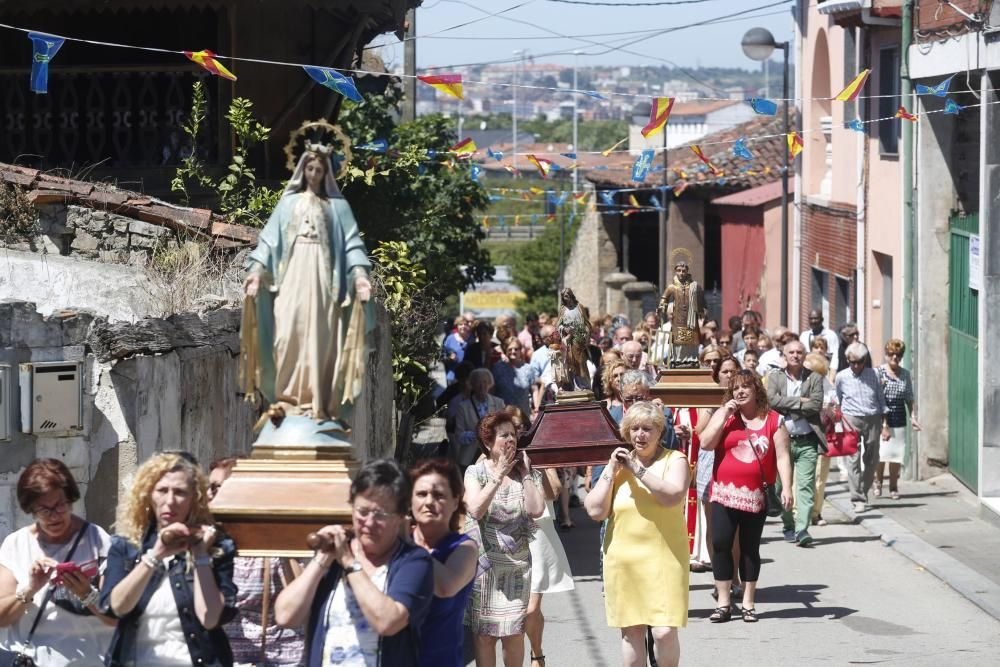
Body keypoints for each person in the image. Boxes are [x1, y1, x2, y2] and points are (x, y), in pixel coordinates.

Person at [241, 142, 372, 426]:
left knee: (322, 338)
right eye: (310, 168)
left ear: (327, 173)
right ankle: (287, 399)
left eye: (319, 169)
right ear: (303, 170)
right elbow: (268, 240)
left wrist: (360, 275)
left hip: (325, 282)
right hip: (292, 276)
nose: (314, 173)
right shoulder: (289, 203)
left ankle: (319, 402)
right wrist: (256, 271)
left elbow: (352, 244)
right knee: (286, 334)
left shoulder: (337, 207)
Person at [274, 459, 433, 667]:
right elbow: (286, 616)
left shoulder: (414, 562)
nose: (369, 522)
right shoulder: (334, 558)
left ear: (401, 516)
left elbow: (388, 622)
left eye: (380, 514)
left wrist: (350, 563)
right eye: (362, 512)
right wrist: (322, 559)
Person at [102, 452, 237, 666]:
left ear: (195, 498)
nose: (170, 501)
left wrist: (201, 555)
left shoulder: (218, 546)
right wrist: (154, 556)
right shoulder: (126, 546)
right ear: (148, 494)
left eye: (180, 492)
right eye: (162, 490)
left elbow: (210, 618)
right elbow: (117, 607)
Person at [584, 402, 690, 667]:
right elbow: (595, 510)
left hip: (665, 558)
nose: (640, 435)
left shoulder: (675, 460)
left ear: (659, 431)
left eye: (647, 429)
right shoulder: (618, 465)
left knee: (664, 632)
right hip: (624, 561)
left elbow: (672, 496)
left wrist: (637, 470)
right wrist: (610, 469)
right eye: (634, 429)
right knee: (632, 633)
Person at [698, 370, 793, 623]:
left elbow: (783, 455)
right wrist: (723, 415)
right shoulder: (725, 416)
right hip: (723, 493)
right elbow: (705, 443)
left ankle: (749, 602)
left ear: (756, 390)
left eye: (745, 387)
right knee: (721, 544)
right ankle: (723, 602)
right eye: (735, 388)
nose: (740, 392)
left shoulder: (774, 420)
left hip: (756, 495)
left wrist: (787, 487)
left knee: (750, 549)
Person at [0, 459, 114, 666]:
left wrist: (87, 594)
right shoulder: (15, 544)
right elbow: (1, 618)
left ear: (70, 500)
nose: (54, 516)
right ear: (31, 510)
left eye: (60, 505)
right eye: (44, 510)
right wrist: (30, 589)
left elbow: (115, 617)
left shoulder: (98, 540)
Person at [463, 412, 544, 667]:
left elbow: (536, 510)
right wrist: (497, 476)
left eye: (513, 434)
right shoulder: (475, 472)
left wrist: (527, 473)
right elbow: (475, 509)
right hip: (485, 567)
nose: (511, 440)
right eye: (504, 435)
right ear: (488, 442)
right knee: (485, 635)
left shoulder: (525, 471)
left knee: (513, 634)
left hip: (517, 566)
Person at [209, 458, 306, 667]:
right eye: (209, 488)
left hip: (280, 659)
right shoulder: (210, 545)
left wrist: (277, 538)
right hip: (227, 659)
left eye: (217, 488)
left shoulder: (270, 542)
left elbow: (303, 599)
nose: (209, 496)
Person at [409, 459, 478, 667]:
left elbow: (445, 586)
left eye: (438, 495)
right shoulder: (396, 542)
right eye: (421, 494)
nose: (429, 501)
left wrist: (409, 544)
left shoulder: (464, 548)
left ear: (455, 501)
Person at [765, 340, 826, 547]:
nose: (795, 355)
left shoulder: (815, 378)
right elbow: (771, 401)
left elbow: (816, 404)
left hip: (807, 439)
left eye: (799, 352)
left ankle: (802, 529)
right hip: (782, 441)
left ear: (805, 354)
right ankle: (788, 523)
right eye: (791, 352)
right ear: (784, 354)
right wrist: (800, 401)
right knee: (782, 485)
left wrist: (788, 405)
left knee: (806, 486)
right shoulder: (775, 377)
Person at [835, 342, 889, 513]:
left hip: (872, 418)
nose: (856, 366)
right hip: (850, 419)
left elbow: (881, 398)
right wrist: (838, 421)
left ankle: (864, 490)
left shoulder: (874, 374)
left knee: (872, 458)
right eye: (853, 362)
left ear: (865, 360)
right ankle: (857, 497)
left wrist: (885, 423)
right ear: (848, 360)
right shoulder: (841, 376)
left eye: (859, 362)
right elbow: (838, 399)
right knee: (853, 458)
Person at [875, 339, 920, 501]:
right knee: (881, 454)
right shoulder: (878, 372)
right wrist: (883, 424)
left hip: (899, 417)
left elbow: (909, 398)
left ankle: (893, 486)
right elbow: (876, 398)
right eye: (891, 354)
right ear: (886, 354)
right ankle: (878, 482)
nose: (895, 357)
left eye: (898, 355)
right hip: (881, 417)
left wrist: (913, 417)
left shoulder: (905, 374)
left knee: (895, 455)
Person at [804, 352, 838, 527]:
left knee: (819, 477)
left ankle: (815, 513)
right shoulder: (799, 385)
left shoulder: (829, 389)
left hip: (823, 438)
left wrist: (830, 411)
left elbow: (837, 416)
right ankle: (800, 512)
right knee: (802, 478)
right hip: (801, 437)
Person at [452, 368, 506, 468]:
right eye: (478, 382)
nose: (482, 386)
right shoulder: (463, 407)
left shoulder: (499, 403)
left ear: (490, 384)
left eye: (485, 382)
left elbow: (504, 429)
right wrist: (477, 434)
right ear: (472, 385)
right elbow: (459, 436)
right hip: (469, 458)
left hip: (494, 455)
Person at [657, 258, 706, 366]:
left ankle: (692, 359)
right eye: (679, 270)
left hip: (691, 319)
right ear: (676, 271)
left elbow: (701, 299)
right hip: (678, 318)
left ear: (687, 271)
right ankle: (678, 359)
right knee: (678, 340)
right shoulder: (672, 287)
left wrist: (702, 309)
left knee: (691, 340)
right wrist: (662, 307)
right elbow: (664, 298)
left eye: (683, 271)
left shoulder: (695, 286)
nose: (681, 273)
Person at [491, 338, 541, 418]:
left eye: (516, 349)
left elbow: (534, 389)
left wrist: (536, 408)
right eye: (510, 349)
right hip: (503, 415)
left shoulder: (528, 368)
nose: (513, 351)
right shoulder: (497, 368)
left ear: (520, 351)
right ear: (505, 350)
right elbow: (492, 391)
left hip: (522, 414)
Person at [443, 314, 475, 382]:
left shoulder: (472, 339)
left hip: (469, 377)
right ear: (457, 326)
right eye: (460, 324)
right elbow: (443, 354)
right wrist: (449, 358)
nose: (463, 326)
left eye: (465, 324)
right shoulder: (450, 338)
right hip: (453, 377)